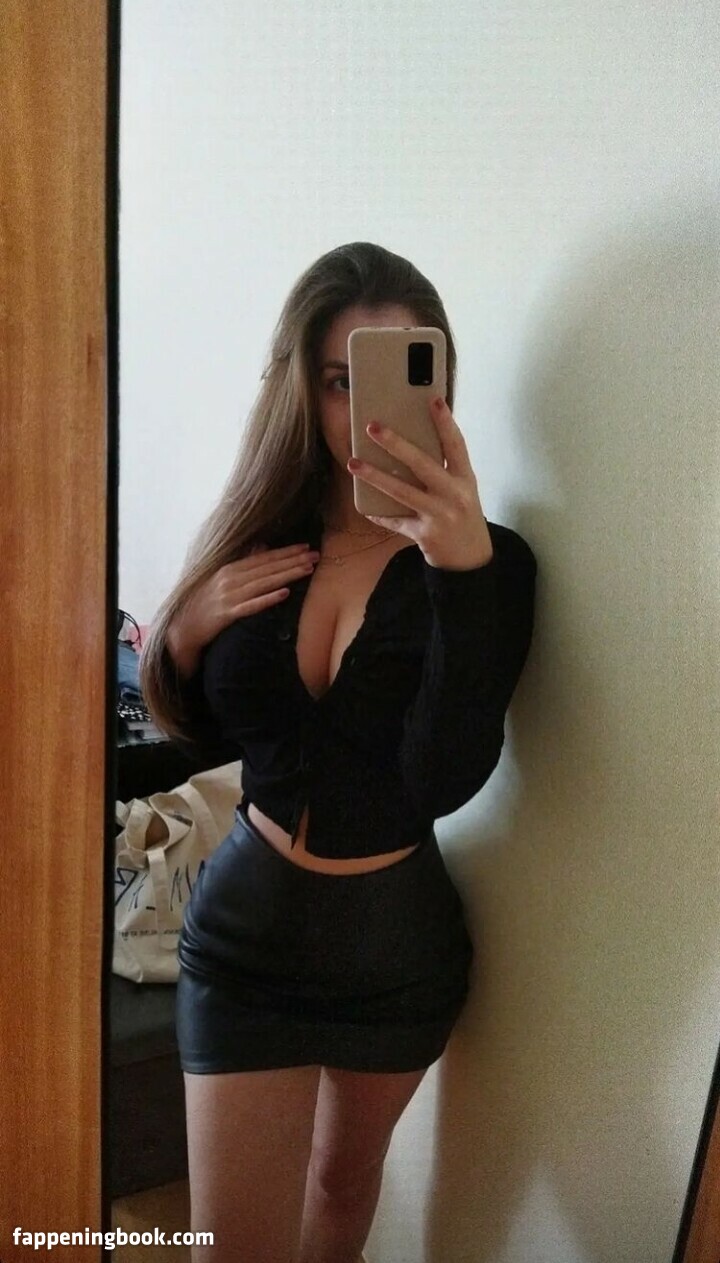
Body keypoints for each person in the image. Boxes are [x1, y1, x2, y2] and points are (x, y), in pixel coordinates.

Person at [140, 241, 537, 1263]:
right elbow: (205, 730)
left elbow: (440, 779)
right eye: (337, 380)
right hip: (242, 946)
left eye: (400, 375)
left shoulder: (492, 565)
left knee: (341, 1193)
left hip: (394, 959)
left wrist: (460, 576)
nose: (365, 413)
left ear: (442, 385)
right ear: (300, 389)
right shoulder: (256, 540)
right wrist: (184, 636)